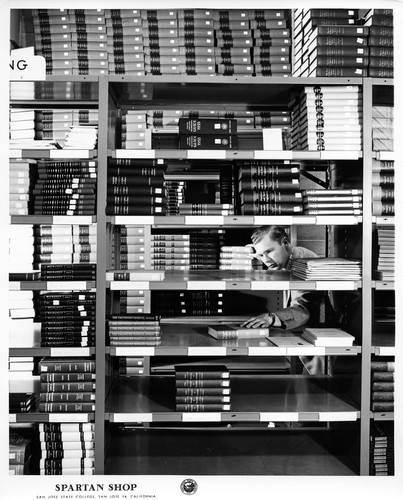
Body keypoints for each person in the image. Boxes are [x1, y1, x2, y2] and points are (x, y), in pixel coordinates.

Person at [241, 225, 325, 374]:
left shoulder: (303, 263)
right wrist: (257, 252)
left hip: (323, 349)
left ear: (285, 243)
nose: (266, 260)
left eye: (269, 251)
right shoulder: (290, 257)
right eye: (261, 255)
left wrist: (271, 318)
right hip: (310, 342)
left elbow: (305, 309)